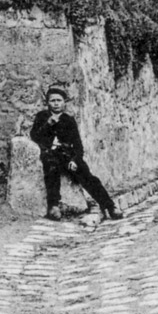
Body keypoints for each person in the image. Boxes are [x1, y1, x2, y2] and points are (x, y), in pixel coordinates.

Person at [29, 85, 122, 222]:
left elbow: (78, 145)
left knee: (87, 176)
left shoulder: (68, 120)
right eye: (52, 100)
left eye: (59, 100)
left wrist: (75, 160)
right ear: (47, 103)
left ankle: (109, 206)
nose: (56, 104)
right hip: (50, 154)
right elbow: (35, 136)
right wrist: (47, 124)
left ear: (64, 103)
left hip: (67, 155)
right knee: (51, 170)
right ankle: (53, 206)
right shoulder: (42, 117)